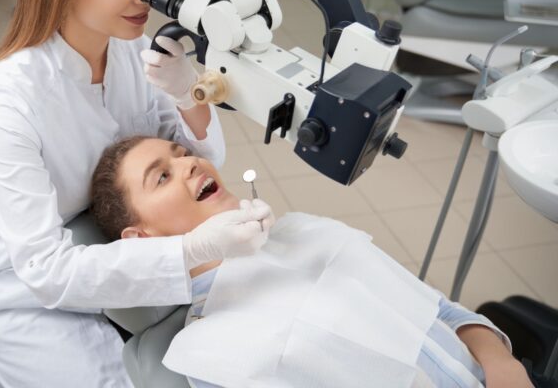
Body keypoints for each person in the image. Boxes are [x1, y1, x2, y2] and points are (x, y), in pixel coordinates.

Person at [0, 0, 273, 387]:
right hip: (35, 295)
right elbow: (45, 270)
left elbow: (200, 152)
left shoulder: (130, 46)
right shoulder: (12, 94)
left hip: (129, 255)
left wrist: (185, 93)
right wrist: (188, 252)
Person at [90, 136, 535, 388]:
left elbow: (438, 309)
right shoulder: (210, 353)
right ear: (142, 238)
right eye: (162, 176)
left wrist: (501, 364)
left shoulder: (309, 232)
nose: (189, 163)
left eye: (181, 152)